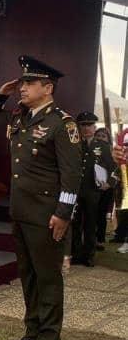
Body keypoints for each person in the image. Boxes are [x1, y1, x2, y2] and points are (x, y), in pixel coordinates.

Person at [0, 55, 82, 340]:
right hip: (21, 211)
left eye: (29, 83)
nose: (23, 88)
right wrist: (1, 93)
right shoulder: (20, 118)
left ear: (48, 87)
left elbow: (71, 175)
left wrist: (63, 215)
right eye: (23, 82)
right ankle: (31, 334)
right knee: (28, 276)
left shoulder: (62, 124)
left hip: (46, 215)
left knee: (48, 278)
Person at [71, 112, 115, 267]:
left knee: (90, 224)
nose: (87, 128)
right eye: (83, 125)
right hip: (74, 191)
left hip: (92, 191)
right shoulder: (72, 144)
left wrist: (109, 183)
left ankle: (88, 255)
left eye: (90, 125)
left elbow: (113, 168)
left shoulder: (102, 146)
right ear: (78, 126)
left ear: (94, 127)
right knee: (74, 224)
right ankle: (75, 254)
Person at [94, 127, 114, 250]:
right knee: (91, 213)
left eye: (103, 136)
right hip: (93, 186)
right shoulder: (90, 149)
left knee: (101, 214)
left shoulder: (112, 151)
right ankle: (90, 239)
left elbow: (116, 169)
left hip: (106, 187)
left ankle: (100, 239)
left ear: (108, 138)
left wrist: (109, 183)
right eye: (98, 136)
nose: (100, 138)